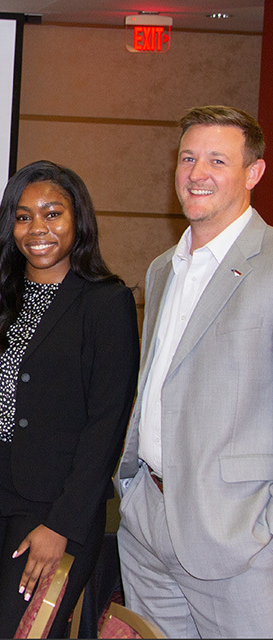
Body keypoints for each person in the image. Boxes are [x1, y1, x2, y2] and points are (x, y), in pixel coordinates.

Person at [0, 161, 140, 638]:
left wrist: (62, 525)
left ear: (78, 221)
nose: (37, 229)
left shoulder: (106, 302)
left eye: (52, 214)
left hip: (49, 502)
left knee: (20, 630)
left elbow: (108, 424)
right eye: (23, 217)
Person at [114, 106, 273, 638]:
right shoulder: (164, 268)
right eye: (188, 158)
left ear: (253, 173)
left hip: (236, 535)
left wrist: (263, 529)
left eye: (217, 160)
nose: (196, 173)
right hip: (148, 519)